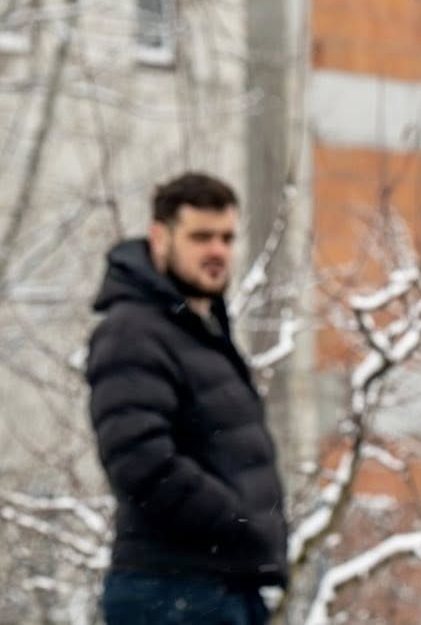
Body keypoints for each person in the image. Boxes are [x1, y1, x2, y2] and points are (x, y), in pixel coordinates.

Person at [87, 172, 286, 625]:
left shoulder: (199, 332)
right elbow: (140, 463)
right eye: (201, 237)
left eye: (226, 237)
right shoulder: (132, 331)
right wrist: (239, 524)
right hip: (172, 592)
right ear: (160, 237)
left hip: (220, 589)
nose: (217, 250)